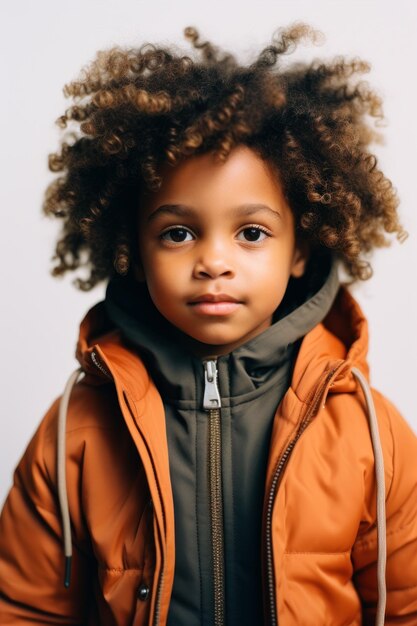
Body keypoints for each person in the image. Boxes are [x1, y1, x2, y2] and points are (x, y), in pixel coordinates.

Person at [0, 22, 416, 626]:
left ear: (300, 248)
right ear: (135, 251)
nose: (214, 261)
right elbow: (25, 610)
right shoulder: (76, 431)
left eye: (251, 233)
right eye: (178, 233)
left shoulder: (369, 432)